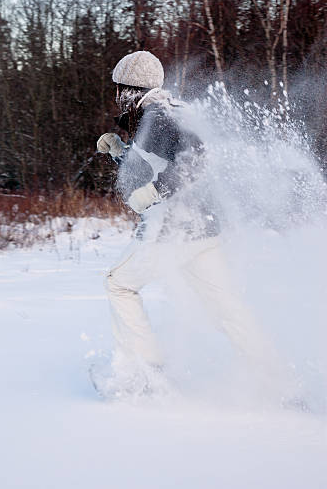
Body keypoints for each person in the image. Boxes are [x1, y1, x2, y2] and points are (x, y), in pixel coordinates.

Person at [97, 51, 287, 395]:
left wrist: (155, 191)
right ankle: (279, 383)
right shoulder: (168, 110)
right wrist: (119, 152)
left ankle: (147, 375)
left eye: (119, 88)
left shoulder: (158, 115)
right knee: (227, 308)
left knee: (119, 284)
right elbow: (155, 160)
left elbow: (196, 156)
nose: (116, 96)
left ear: (131, 88)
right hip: (204, 229)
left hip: (176, 229)